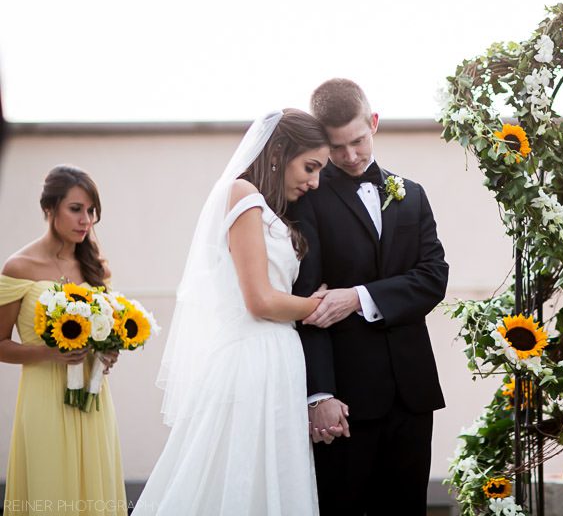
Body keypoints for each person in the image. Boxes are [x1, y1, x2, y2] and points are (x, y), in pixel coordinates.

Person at [133, 109, 330, 516]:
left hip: (279, 362)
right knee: (233, 475)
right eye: (310, 167)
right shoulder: (242, 194)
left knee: (270, 480)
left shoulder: (271, 211)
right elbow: (259, 299)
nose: (314, 182)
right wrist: (319, 306)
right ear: (278, 151)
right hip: (251, 360)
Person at [290, 78, 449, 516]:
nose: (350, 156)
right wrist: (319, 395)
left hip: (412, 393)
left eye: (357, 141)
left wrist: (358, 297)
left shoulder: (412, 195)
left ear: (374, 123)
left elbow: (434, 277)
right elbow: (309, 302)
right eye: (337, 148)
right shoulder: (310, 202)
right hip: (346, 400)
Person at [1, 165, 126, 515]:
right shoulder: (18, 267)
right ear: (50, 209)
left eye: (91, 211)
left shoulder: (94, 268)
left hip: (94, 399)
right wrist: (49, 353)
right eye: (76, 209)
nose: (86, 219)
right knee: (51, 490)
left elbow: (106, 328)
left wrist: (108, 351)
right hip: (44, 400)